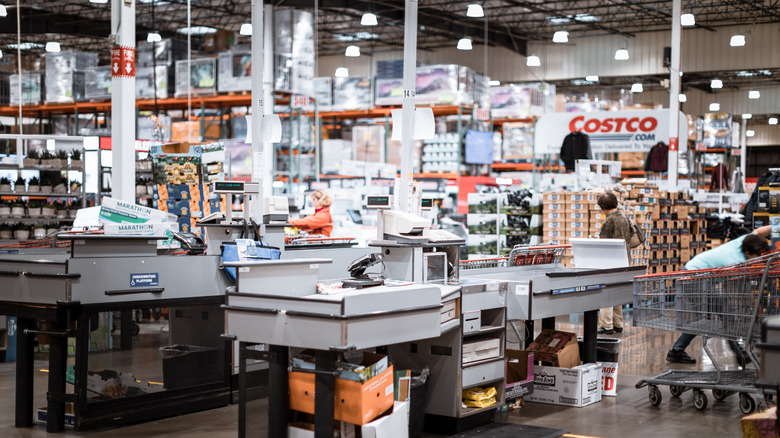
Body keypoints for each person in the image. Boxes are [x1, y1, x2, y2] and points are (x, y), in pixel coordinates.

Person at [666, 226, 772, 364]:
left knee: (705, 318)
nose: (760, 259)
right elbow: (742, 290)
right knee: (725, 313)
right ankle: (740, 354)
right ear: (748, 253)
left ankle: (677, 351)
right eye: (758, 256)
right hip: (694, 277)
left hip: (694, 274)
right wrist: (755, 304)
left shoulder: (744, 241)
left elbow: (758, 231)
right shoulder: (735, 263)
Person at [596, 191, 632, 335]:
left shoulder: (609, 220)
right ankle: (618, 323)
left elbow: (604, 242)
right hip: (624, 260)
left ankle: (606, 325)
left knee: (606, 292)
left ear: (604, 207)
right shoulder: (624, 217)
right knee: (617, 292)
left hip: (611, 261)